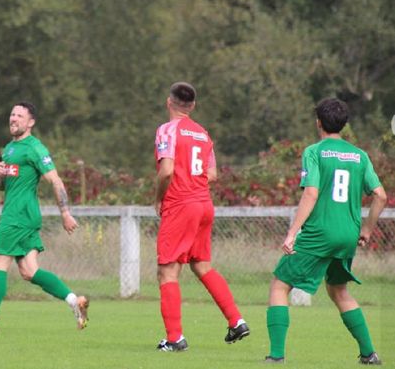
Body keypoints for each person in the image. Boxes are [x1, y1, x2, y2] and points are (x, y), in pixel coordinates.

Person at [265, 97, 387, 365]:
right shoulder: (360, 155)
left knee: (279, 285)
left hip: (320, 233)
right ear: (343, 125)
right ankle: (369, 354)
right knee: (338, 291)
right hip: (347, 235)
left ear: (318, 122)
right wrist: (366, 229)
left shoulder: (315, 151)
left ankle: (275, 356)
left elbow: (311, 192)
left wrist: (292, 232)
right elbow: (380, 195)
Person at [0, 102, 89, 332]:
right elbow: (4, 187)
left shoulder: (35, 148)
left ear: (30, 122)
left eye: (19, 115)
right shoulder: (9, 149)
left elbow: (55, 180)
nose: (13, 118)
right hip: (23, 216)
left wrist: (65, 213)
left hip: (17, 216)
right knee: (29, 271)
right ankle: (74, 301)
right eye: (12, 114)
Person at [153, 82, 249, 352]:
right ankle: (236, 321)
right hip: (204, 204)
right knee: (202, 266)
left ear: (168, 102)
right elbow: (213, 173)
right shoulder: (203, 134)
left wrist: (159, 198)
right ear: (192, 106)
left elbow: (167, 171)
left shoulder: (167, 130)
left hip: (180, 204)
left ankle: (174, 339)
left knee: (167, 271)